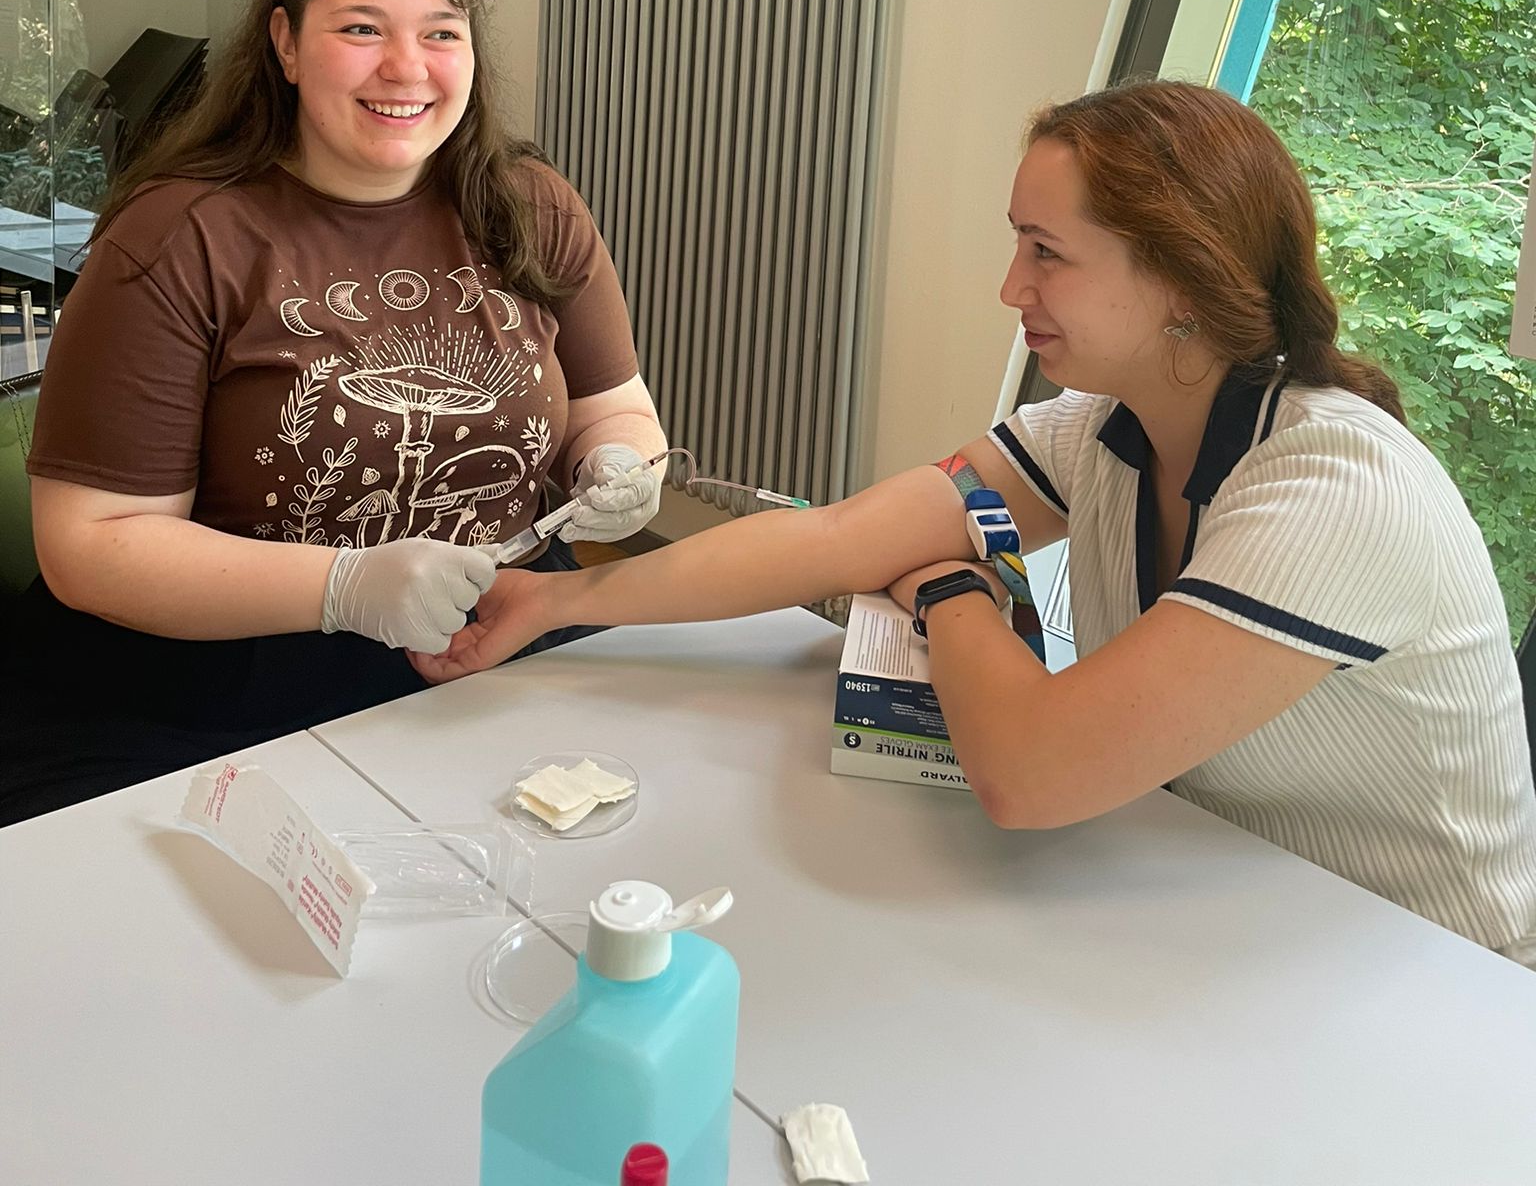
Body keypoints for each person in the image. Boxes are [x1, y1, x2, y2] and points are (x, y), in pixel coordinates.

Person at [411, 79, 1536, 964]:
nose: (1011, 287)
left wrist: (949, 587)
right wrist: (552, 597)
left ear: (1183, 278)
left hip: (1434, 974)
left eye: (1048, 251)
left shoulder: (1335, 490)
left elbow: (1033, 771)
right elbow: (833, 539)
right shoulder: (1104, 428)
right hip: (1226, 902)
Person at [1, 0, 665, 824]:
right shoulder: (177, 240)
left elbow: (614, 408)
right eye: (361, 30)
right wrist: (343, 588)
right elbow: (92, 545)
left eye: (441, 33)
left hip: (502, 634)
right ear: (286, 42)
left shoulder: (530, 207)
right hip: (215, 688)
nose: (407, 68)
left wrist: (619, 461)